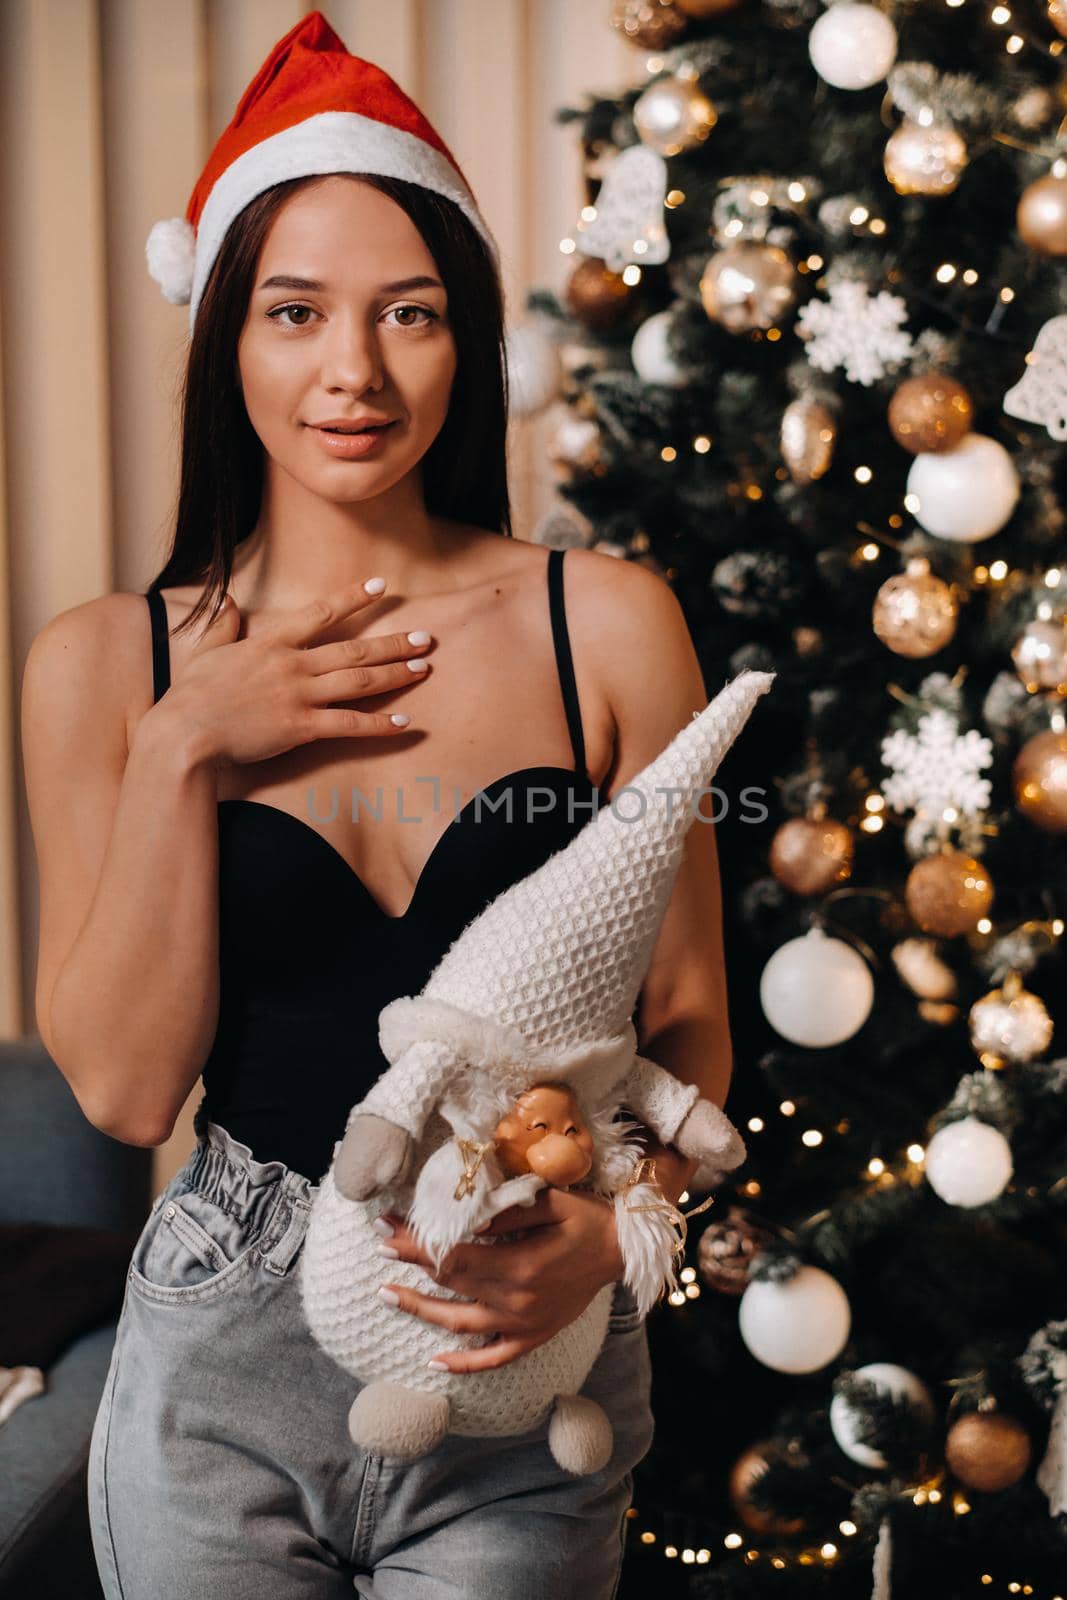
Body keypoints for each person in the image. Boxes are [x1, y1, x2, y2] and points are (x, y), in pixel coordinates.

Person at [20, 13, 735, 1598]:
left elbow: (691, 1031)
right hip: (223, 1358)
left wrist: (611, 1239)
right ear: (226, 338)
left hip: (521, 1348)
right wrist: (179, 748)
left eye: (408, 315)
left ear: (465, 341)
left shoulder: (606, 623)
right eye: (294, 314)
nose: (352, 371)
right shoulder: (105, 667)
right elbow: (130, 1096)